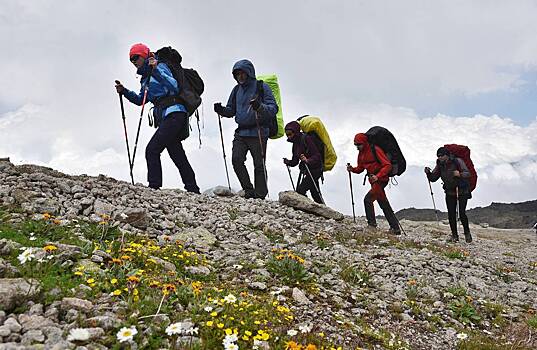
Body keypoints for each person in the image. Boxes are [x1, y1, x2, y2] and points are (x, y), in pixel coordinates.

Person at [115, 43, 200, 193]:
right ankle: (193, 189)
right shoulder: (145, 78)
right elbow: (140, 100)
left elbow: (174, 86)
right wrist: (124, 91)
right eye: (131, 59)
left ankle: (154, 187)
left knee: (152, 150)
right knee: (177, 154)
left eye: (136, 57)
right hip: (168, 117)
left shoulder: (159, 67)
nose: (134, 61)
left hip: (175, 113)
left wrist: (156, 71)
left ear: (145, 55)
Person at [214, 59, 278, 199]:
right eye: (237, 74)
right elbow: (231, 111)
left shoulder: (262, 86)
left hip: (259, 131)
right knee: (236, 159)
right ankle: (249, 191)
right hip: (241, 132)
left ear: (249, 73)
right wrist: (221, 110)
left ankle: (260, 195)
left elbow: (273, 108)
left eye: (243, 73)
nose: (240, 76)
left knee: (259, 165)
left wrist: (259, 107)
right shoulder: (236, 90)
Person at [347, 133, 401, 235]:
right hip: (373, 181)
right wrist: (352, 169)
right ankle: (395, 228)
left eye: (359, 144)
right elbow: (360, 168)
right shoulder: (361, 154)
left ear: (364, 142)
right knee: (383, 202)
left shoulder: (375, 149)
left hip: (381, 180)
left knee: (368, 199)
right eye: (356, 145)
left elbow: (387, 165)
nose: (357, 147)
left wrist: (378, 176)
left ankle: (372, 225)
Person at [425, 147, 472, 242]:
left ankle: (467, 233)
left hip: (462, 191)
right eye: (438, 156)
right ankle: (455, 235)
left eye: (442, 155)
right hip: (450, 191)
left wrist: (459, 174)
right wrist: (428, 174)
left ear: (447, 155)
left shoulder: (457, 161)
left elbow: (468, 173)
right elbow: (434, 178)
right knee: (451, 214)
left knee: (462, 213)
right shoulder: (440, 164)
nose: (440, 157)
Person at [283, 121, 323, 203]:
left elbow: (317, 155)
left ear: (296, 131)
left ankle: (306, 207)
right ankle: (322, 209)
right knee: (315, 192)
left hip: (316, 169)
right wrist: (288, 162)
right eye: (287, 135)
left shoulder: (306, 138)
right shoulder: (295, 144)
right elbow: (295, 161)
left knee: (301, 190)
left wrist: (307, 160)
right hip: (308, 169)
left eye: (290, 134)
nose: (289, 137)